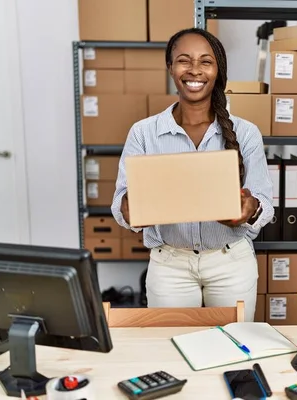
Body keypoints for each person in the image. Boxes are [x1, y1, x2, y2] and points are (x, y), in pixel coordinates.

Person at [110, 28, 274, 322]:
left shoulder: (246, 132)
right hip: (170, 264)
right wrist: (130, 208)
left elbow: (263, 200)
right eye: (184, 61)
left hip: (231, 262)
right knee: (170, 347)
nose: (194, 70)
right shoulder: (144, 133)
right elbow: (120, 203)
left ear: (217, 70)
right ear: (170, 68)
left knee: (232, 347)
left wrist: (250, 209)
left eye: (205, 62)